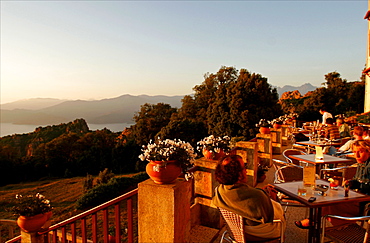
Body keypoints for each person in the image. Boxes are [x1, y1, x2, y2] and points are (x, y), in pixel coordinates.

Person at [295, 140, 370, 229]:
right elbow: (357, 180)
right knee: (327, 199)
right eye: (354, 152)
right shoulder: (361, 164)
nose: (356, 155)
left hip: (364, 205)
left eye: (360, 152)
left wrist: (355, 185)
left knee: (329, 202)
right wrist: (350, 182)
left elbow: (363, 185)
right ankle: (316, 221)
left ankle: (316, 222)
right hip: (358, 199)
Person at [212, 155, 286, 240]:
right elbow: (271, 216)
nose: (246, 171)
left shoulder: (219, 191)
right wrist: (273, 199)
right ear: (239, 175)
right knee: (281, 215)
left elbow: (245, 201)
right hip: (256, 234)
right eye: (244, 167)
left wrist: (261, 193)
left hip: (235, 233)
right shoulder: (257, 196)